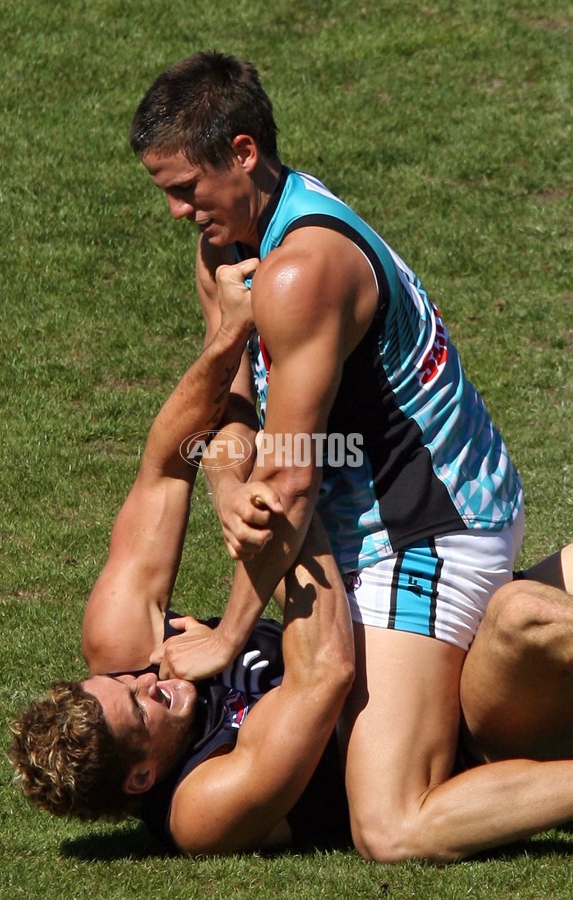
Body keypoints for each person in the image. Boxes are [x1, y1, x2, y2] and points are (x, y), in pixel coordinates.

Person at [124, 50, 573, 863]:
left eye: (184, 188)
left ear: (243, 153)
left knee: (390, 824)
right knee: (439, 717)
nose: (177, 211)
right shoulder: (231, 250)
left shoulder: (301, 271)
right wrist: (228, 476)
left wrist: (229, 637)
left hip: (423, 529)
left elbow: (292, 481)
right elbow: (236, 407)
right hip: (366, 511)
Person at [9, 264, 355, 854]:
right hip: (412, 728)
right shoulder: (200, 806)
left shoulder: (126, 651)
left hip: (365, 605)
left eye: (125, 683)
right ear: (141, 775)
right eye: (142, 710)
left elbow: (165, 467)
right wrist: (279, 481)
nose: (150, 681)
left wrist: (230, 335)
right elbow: (326, 672)